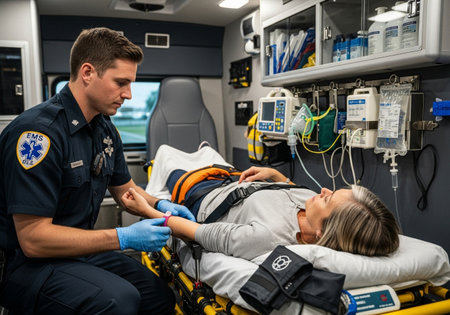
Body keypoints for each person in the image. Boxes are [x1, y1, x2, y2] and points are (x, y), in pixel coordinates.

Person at [0, 27, 195, 314]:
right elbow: (33, 240)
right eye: (121, 82)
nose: (128, 94)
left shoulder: (104, 130)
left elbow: (125, 191)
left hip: (77, 251)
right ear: (88, 72)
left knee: (158, 296)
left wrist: (162, 205)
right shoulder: (38, 134)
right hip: (27, 264)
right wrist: (123, 238)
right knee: (119, 300)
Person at [122, 165, 400, 261]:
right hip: (234, 176)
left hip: (199, 192)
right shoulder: (311, 204)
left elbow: (198, 233)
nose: (324, 190)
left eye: (328, 200)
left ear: (322, 234)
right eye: (332, 191)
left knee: (171, 168)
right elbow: (291, 190)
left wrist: (151, 209)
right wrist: (276, 174)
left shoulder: (267, 238)